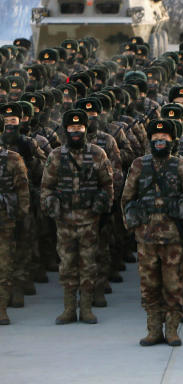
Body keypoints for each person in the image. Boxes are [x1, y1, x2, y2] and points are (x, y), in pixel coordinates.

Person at [122, 118, 183, 346]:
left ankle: (173, 329)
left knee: (173, 285)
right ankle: (154, 329)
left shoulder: (181, 166)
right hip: (146, 238)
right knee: (149, 286)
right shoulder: (139, 165)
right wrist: (132, 227)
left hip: (173, 237)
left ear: (172, 140)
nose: (159, 141)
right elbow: (127, 198)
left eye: (164, 137)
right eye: (156, 137)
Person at [40, 109, 113, 325]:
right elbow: (46, 187)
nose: (75, 132)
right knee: (67, 265)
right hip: (64, 220)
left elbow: (108, 185)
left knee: (89, 264)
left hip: (89, 219)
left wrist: (102, 205)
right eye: (71, 128)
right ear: (65, 130)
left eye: (79, 128)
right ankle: (69, 308)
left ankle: (87, 308)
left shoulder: (98, 154)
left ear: (85, 129)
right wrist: (52, 206)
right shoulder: (55, 156)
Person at [0, 111, 30, 326]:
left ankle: (1, 309)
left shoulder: (12, 159)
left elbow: (23, 191)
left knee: (4, 264)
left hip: (5, 219)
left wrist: (21, 216)